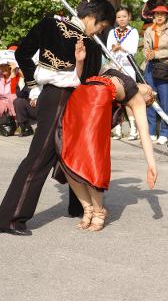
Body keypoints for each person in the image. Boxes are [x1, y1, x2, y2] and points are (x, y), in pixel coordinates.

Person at [0, 0, 116, 236]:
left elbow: (23, 54)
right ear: (93, 17)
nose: (100, 31)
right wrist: (35, 86)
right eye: (101, 26)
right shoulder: (86, 43)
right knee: (41, 156)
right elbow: (86, 81)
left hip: (61, 97)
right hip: (59, 98)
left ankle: (78, 206)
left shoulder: (55, 27)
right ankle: (10, 217)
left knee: (72, 151)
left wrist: (34, 83)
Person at [53, 40, 157, 232]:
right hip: (78, 101)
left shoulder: (136, 101)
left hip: (94, 108)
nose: (151, 93)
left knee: (91, 162)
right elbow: (79, 78)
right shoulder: (123, 74)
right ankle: (88, 207)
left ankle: (98, 211)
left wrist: (151, 164)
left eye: (151, 97)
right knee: (63, 157)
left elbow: (144, 134)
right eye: (151, 91)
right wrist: (80, 62)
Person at [143, 2, 168, 144]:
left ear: (167, 16)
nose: (159, 16)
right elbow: (145, 48)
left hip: (164, 67)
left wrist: (155, 54)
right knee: (149, 99)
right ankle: (151, 131)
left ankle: (165, 132)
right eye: (157, 14)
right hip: (150, 67)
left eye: (162, 14)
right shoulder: (148, 30)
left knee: (165, 101)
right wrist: (148, 54)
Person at [106, 7, 139, 140]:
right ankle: (117, 127)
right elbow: (107, 49)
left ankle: (133, 128)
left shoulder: (133, 31)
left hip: (127, 68)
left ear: (129, 17)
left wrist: (122, 48)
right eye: (119, 17)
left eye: (124, 16)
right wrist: (113, 50)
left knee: (129, 98)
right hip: (115, 67)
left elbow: (133, 50)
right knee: (114, 98)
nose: (121, 19)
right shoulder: (112, 32)